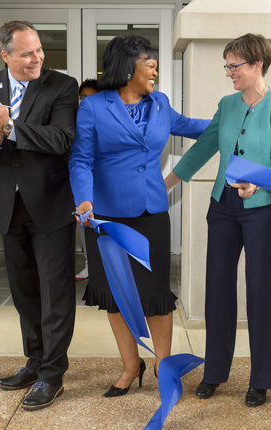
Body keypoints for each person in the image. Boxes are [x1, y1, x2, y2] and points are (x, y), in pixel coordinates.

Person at [70, 35, 208, 398]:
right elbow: (81, 159)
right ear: (129, 65)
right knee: (115, 294)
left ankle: (164, 365)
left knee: (156, 294)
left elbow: (195, 127)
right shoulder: (93, 107)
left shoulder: (160, 104)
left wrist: (239, 118)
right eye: (151, 64)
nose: (155, 72)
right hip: (106, 217)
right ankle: (131, 366)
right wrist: (84, 200)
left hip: (152, 214)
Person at [165, 33, 271, 408]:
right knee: (218, 290)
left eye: (234, 66)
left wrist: (259, 182)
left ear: (257, 65)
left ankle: (262, 379)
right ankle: (214, 372)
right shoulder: (226, 104)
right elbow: (205, 147)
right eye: (226, 66)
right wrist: (166, 185)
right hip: (223, 206)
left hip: (263, 209)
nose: (229, 73)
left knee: (260, 293)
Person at [0, 21, 78, 410]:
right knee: (24, 292)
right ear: (6, 55)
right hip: (7, 207)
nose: (37, 58)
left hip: (50, 204)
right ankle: (35, 361)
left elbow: (62, 139)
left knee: (55, 294)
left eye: (39, 50)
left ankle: (52, 375)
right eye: (27, 53)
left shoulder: (61, 85)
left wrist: (9, 126)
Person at [74, 78, 99, 281]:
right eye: (83, 96)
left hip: (101, 182)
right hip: (81, 181)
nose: (86, 100)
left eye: (91, 97)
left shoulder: (104, 117)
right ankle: (89, 264)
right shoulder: (73, 118)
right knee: (85, 224)